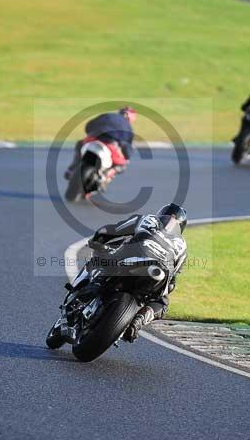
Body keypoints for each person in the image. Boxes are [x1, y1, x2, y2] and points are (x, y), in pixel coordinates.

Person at [87, 203, 188, 342]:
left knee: (102, 257)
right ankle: (140, 319)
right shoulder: (183, 246)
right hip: (159, 272)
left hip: (135, 255)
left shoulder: (148, 219)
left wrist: (96, 241)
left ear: (161, 213)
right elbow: (172, 281)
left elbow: (112, 230)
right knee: (162, 304)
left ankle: (94, 286)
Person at [64, 106, 137, 180]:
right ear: (131, 118)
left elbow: (88, 126)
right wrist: (127, 157)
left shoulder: (107, 116)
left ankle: (72, 168)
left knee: (80, 144)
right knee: (122, 164)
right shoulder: (128, 128)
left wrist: (92, 133)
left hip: (92, 139)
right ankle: (106, 175)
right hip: (110, 145)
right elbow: (127, 148)